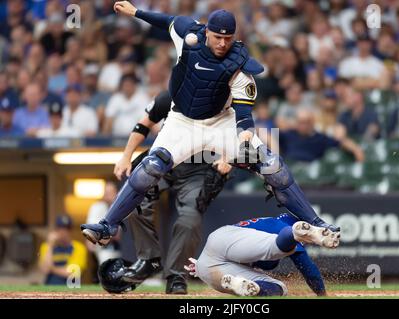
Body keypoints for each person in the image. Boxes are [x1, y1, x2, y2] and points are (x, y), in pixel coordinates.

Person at [81, 1, 340, 252]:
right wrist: (135, 12)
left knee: (272, 166)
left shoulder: (240, 65)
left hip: (221, 122)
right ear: (207, 32)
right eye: (217, 37)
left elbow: (243, 114)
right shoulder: (187, 33)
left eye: (228, 38)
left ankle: (317, 225)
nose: (222, 43)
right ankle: (107, 226)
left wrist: (246, 134)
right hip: (182, 122)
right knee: (150, 168)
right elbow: (166, 21)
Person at [110, 90, 231, 294]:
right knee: (134, 199)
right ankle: (149, 259)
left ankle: (176, 275)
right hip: (164, 162)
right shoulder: (172, 94)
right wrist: (126, 156)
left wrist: (228, 157)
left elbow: (237, 130)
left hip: (198, 169)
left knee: (189, 220)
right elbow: (144, 124)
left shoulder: (219, 97)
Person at [185, 213, 328, 297]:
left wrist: (202, 264)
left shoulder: (266, 223)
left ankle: (249, 286)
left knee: (279, 286)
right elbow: (307, 267)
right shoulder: (279, 225)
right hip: (229, 242)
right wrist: (322, 293)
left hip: (206, 266)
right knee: (277, 248)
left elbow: (264, 263)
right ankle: (294, 233)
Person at [38, 215, 88, 285]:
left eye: (66, 229)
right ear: (55, 230)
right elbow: (45, 269)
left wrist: (52, 268)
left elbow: (73, 273)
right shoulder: (46, 246)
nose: (63, 232)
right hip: (50, 286)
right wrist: (50, 245)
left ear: (71, 230)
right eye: (60, 228)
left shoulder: (79, 247)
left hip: (71, 287)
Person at [85, 181, 121, 265]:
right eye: (106, 192)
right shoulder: (97, 207)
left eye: (111, 192)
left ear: (117, 193)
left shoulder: (122, 206)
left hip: (124, 249)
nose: (108, 195)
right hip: (103, 249)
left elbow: (119, 234)